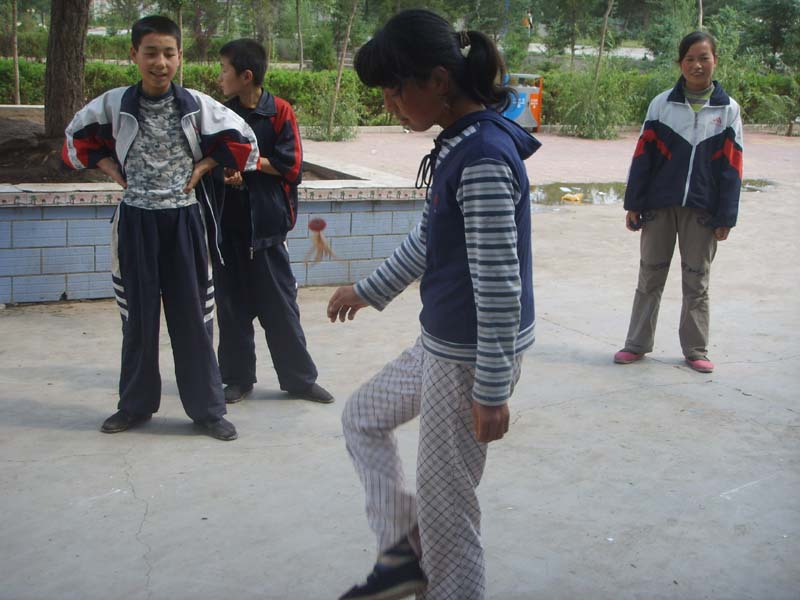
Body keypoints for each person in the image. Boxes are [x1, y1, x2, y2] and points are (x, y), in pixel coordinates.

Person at [326, 9, 541, 599]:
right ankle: (402, 557)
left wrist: (491, 390)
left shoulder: (484, 157)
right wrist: (368, 290)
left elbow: (499, 283)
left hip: (470, 358)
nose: (389, 103)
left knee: (448, 514)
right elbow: (429, 238)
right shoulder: (459, 143)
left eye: (397, 89)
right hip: (441, 344)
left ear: (439, 81)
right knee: (363, 417)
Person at [62, 16, 260, 441]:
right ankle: (134, 406)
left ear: (180, 57)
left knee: (195, 319)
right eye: (150, 52)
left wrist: (206, 165)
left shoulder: (196, 106)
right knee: (138, 320)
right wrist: (107, 165)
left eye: (169, 53)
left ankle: (208, 411)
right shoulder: (113, 105)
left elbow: (245, 141)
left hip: (184, 223)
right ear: (134, 55)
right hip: (136, 223)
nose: (160, 62)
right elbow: (74, 138)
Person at [614, 31, 743, 374]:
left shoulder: (728, 110)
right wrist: (634, 203)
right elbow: (643, 157)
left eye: (704, 58)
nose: (697, 65)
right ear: (680, 63)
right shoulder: (661, 105)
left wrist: (726, 216)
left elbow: (732, 168)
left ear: (715, 60)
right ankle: (636, 344)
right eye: (690, 59)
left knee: (697, 281)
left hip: (703, 210)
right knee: (650, 275)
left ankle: (696, 349)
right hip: (659, 206)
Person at [215, 39, 334, 405]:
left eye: (224, 70)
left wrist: (248, 163)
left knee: (281, 309)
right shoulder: (223, 115)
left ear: (246, 76)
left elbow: (292, 166)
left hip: (267, 232)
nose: (219, 77)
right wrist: (228, 172)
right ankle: (237, 380)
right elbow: (216, 160)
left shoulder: (280, 112)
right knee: (232, 311)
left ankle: (299, 381)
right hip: (229, 231)